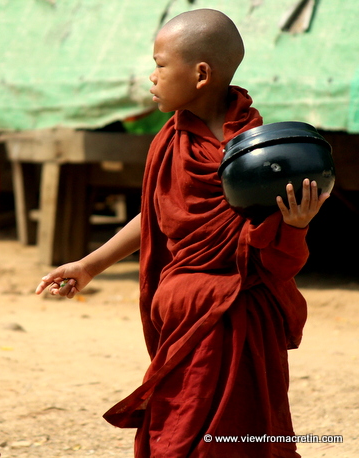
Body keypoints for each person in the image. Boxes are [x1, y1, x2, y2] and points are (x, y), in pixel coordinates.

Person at [36, 9, 329, 458]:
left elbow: (270, 248)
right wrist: (89, 264)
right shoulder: (169, 140)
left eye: (159, 64)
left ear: (201, 74)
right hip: (183, 312)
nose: (150, 77)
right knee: (178, 428)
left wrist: (295, 225)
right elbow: (154, 215)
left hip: (236, 314)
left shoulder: (257, 153)